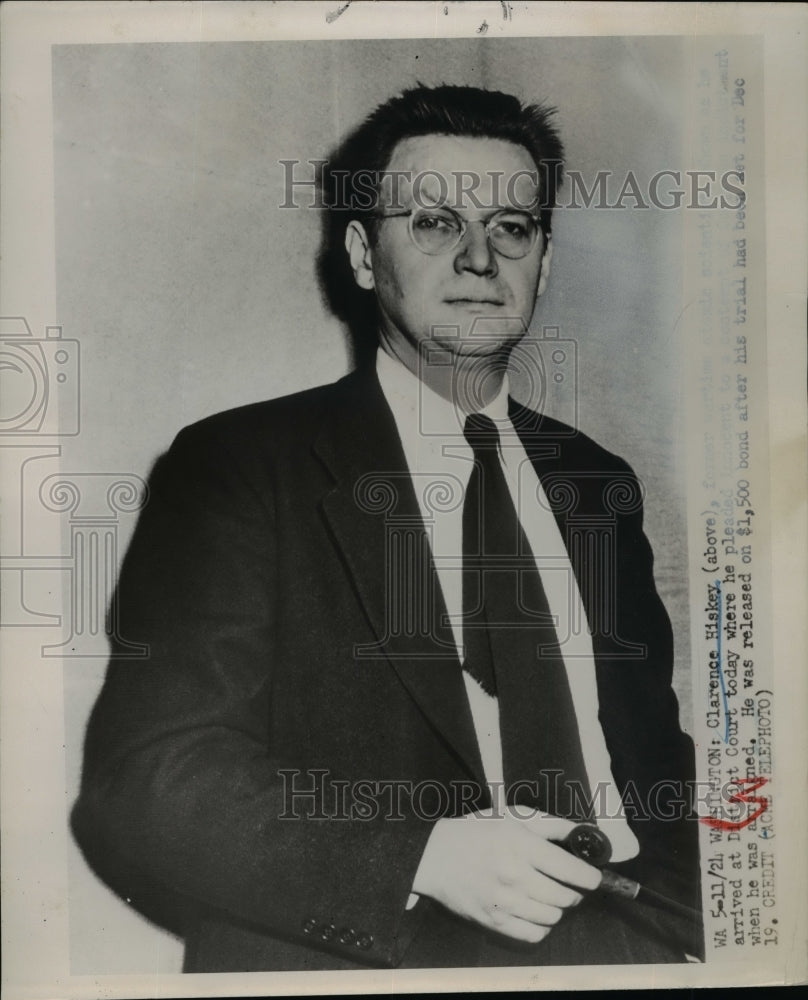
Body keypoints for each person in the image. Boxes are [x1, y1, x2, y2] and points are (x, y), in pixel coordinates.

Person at [72, 84, 702, 972]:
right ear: (365, 256)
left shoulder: (596, 481)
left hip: (625, 947)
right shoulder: (242, 465)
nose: (481, 259)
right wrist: (425, 859)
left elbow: (651, 755)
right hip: (377, 959)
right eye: (437, 223)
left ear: (545, 262)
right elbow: (151, 781)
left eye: (513, 228)